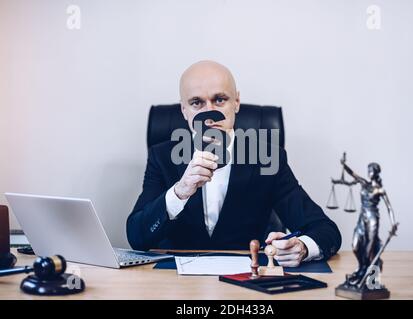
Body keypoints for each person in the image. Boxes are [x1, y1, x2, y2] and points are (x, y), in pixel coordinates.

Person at [127, 61, 341, 267]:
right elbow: (137, 237)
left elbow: (325, 230)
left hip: (245, 282)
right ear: (184, 110)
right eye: (196, 103)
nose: (210, 115)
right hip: (176, 282)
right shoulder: (162, 156)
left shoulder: (267, 157)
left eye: (219, 100)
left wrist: (302, 247)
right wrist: (180, 192)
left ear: (236, 102)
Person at [340, 157, 397, 284]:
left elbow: (389, 207)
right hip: (362, 218)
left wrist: (393, 224)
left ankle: (366, 272)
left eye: (371, 170)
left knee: (368, 250)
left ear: (376, 173)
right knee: (355, 246)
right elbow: (353, 174)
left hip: (372, 219)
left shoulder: (380, 189)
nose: (369, 172)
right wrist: (344, 165)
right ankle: (362, 267)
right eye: (368, 170)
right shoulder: (364, 183)